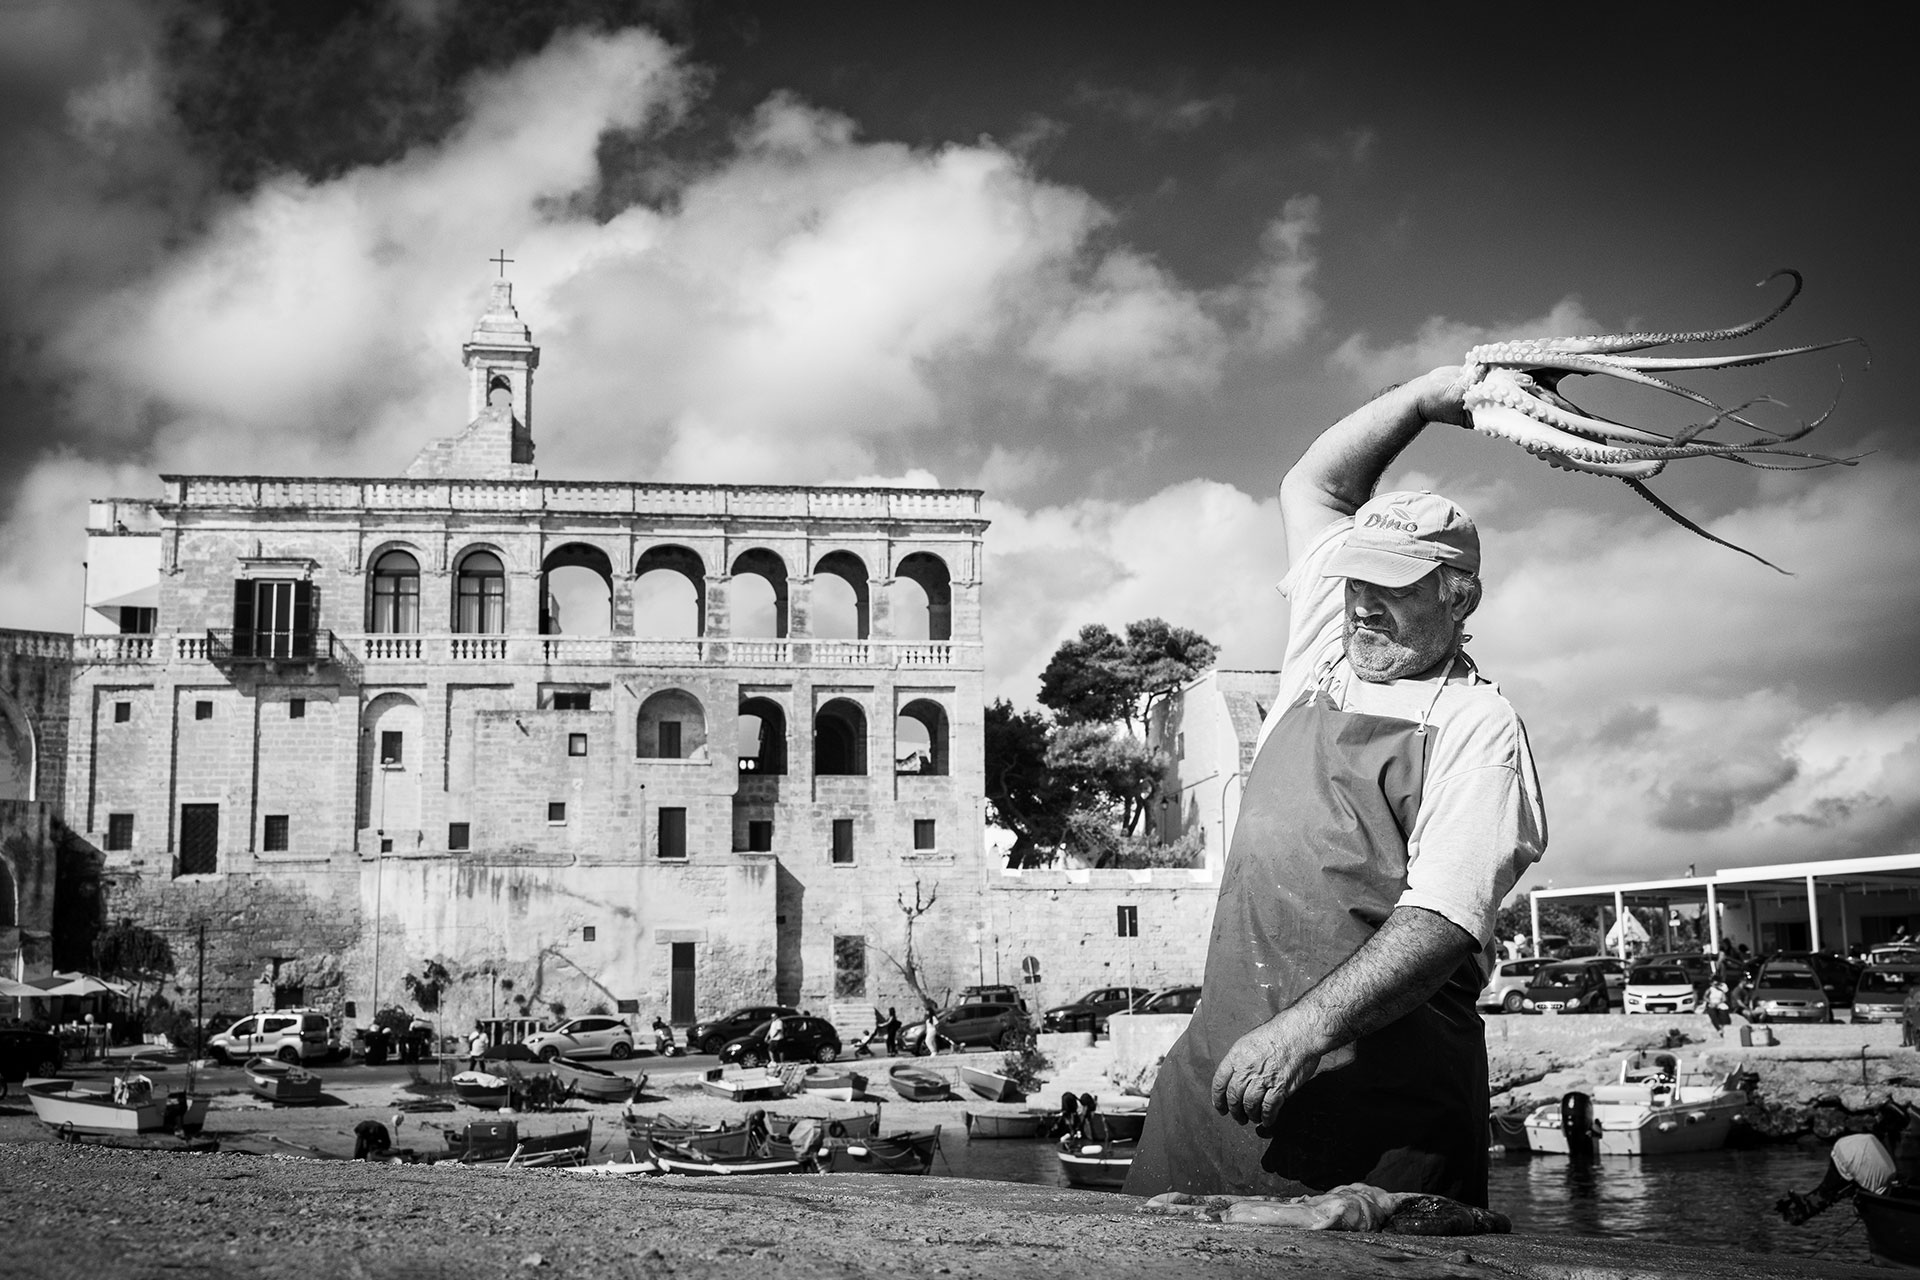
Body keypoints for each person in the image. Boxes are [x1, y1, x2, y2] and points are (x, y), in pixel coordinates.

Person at [1125, 367, 1547, 1208]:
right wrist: (1430, 396)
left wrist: (1305, 1032)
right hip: (1223, 1078)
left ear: (1457, 596)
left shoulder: (1475, 725)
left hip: (1376, 1118)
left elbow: (1441, 921)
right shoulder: (1326, 648)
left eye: (1390, 589)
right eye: (1355, 582)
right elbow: (1315, 483)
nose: (1360, 606)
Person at [1778, 1133, 1898, 1223]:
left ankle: (1803, 1208)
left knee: (1829, 1192)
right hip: (1855, 1159)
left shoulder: (1885, 1178)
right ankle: (1802, 1209)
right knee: (1829, 1193)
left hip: (1848, 1146)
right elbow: (1861, 1202)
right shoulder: (1880, 1185)